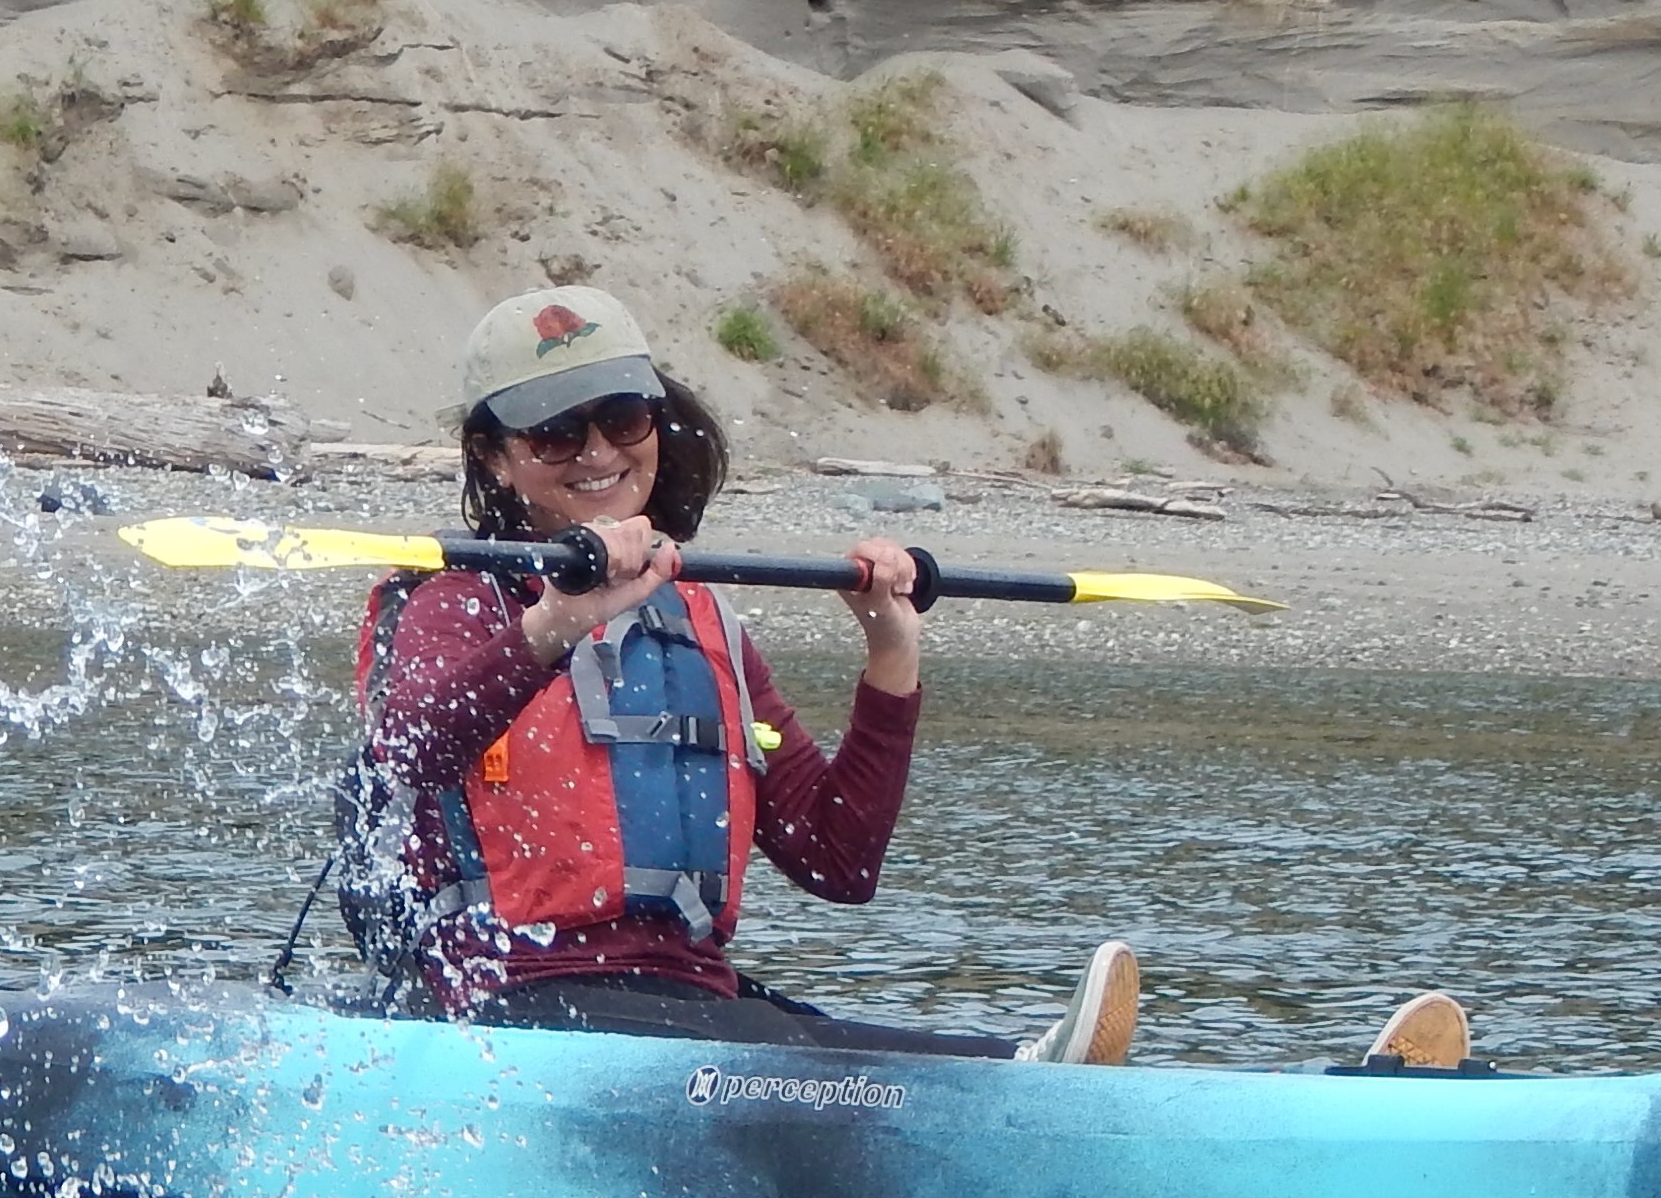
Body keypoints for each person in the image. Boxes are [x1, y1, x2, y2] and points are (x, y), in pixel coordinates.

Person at [344, 286, 1141, 1062]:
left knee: (798, 1040)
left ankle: (1001, 1078)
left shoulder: (697, 619)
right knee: (794, 1051)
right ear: (496, 457)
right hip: (497, 1002)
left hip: (684, 999)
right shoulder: (452, 603)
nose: (597, 454)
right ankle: (1009, 1074)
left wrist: (891, 652)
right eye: (554, 433)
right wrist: (557, 622)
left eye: (622, 420)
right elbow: (412, 752)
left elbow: (838, 861)